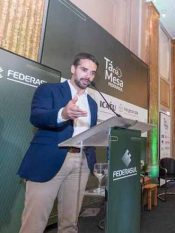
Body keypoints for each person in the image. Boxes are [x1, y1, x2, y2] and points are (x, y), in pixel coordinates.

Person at [17, 53, 99, 233]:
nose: (88, 76)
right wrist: (63, 114)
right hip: (49, 159)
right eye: (84, 70)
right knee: (34, 222)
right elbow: (36, 116)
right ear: (73, 68)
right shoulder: (49, 90)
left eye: (92, 73)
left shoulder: (93, 104)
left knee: (70, 222)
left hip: (81, 163)